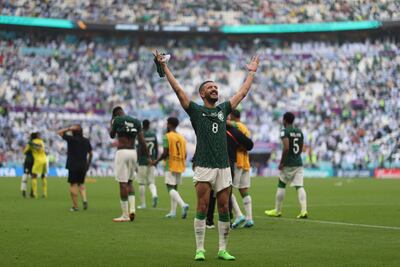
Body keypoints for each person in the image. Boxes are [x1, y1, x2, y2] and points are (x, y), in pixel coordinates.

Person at [154, 50, 259, 261]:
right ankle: (200, 249)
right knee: (202, 206)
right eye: (210, 87)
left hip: (223, 166)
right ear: (202, 94)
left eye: (216, 87)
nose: (214, 89)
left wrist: (252, 73)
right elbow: (178, 90)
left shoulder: (223, 110)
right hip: (203, 164)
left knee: (223, 207)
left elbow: (242, 93)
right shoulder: (195, 110)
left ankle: (222, 249)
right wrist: (164, 66)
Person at [206, 124, 254, 229]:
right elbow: (249, 144)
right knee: (226, 192)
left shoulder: (212, 128)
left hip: (214, 163)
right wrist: (238, 146)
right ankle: (229, 220)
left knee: (212, 192)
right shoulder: (234, 130)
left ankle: (209, 221)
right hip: (229, 165)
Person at [109, 106, 151, 222]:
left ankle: (125, 215)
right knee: (130, 181)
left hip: (122, 152)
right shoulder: (136, 121)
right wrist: (148, 156)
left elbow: (111, 135)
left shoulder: (117, 120)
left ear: (116, 114)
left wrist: (112, 121)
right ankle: (132, 209)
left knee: (122, 183)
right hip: (133, 152)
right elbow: (142, 141)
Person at [265, 112, 308, 219]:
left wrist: (281, 163)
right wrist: (296, 157)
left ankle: (277, 210)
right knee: (299, 186)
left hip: (288, 163)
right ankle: (304, 210)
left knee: (281, 184)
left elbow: (287, 147)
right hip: (298, 163)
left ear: (284, 120)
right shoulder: (299, 131)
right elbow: (302, 148)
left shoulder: (284, 131)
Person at [154, 117, 189, 219]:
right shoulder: (182, 137)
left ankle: (183, 205)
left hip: (171, 164)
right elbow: (185, 154)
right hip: (180, 165)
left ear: (169, 124)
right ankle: (173, 212)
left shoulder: (167, 136)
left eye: (167, 123)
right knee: (175, 188)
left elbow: (165, 153)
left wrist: (156, 161)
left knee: (170, 188)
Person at [228, 110, 254, 228]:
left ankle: (239, 215)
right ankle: (249, 218)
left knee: (228, 189)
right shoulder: (245, 128)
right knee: (244, 190)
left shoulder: (235, 126)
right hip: (245, 162)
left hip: (236, 161)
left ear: (232, 116)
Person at [58, 125, 93, 212]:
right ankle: (84, 200)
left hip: (72, 165)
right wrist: (88, 164)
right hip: (83, 165)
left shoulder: (71, 139)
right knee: (81, 184)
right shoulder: (86, 140)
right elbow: (91, 153)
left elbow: (59, 132)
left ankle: (75, 206)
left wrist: (69, 128)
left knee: (73, 185)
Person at [137, 119, 159, 209]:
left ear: (142, 125)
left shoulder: (141, 134)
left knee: (141, 183)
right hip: (152, 160)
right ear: (149, 125)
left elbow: (139, 148)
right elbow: (156, 148)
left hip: (143, 160)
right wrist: (155, 160)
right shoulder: (153, 134)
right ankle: (154, 195)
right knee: (151, 181)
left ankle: (143, 204)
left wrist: (137, 159)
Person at [29, 132, 48, 198]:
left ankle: (34, 193)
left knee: (34, 176)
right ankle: (44, 193)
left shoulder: (32, 142)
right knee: (43, 176)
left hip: (38, 160)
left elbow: (25, 150)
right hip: (45, 160)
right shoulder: (42, 142)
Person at [20, 133, 35, 198]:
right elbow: (24, 152)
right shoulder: (30, 143)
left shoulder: (36, 143)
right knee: (26, 176)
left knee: (32, 177)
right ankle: (24, 192)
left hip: (33, 162)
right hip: (28, 162)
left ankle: (32, 192)